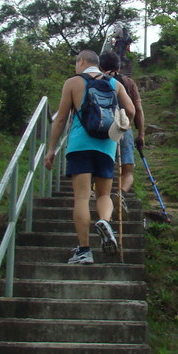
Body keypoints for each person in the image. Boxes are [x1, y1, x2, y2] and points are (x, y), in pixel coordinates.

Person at [44, 50, 135, 264]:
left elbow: (61, 119)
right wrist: (118, 131)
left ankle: (84, 251)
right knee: (104, 195)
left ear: (82, 61)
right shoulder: (115, 84)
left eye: (77, 63)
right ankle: (104, 221)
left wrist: (51, 149)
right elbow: (131, 110)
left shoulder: (73, 83)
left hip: (80, 145)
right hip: (107, 145)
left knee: (82, 198)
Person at [99, 51, 145, 207]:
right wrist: (141, 134)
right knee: (128, 170)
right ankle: (121, 194)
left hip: (102, 129)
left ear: (100, 66)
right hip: (124, 127)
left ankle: (99, 195)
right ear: (119, 67)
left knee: (101, 166)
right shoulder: (128, 82)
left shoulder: (94, 81)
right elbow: (137, 109)